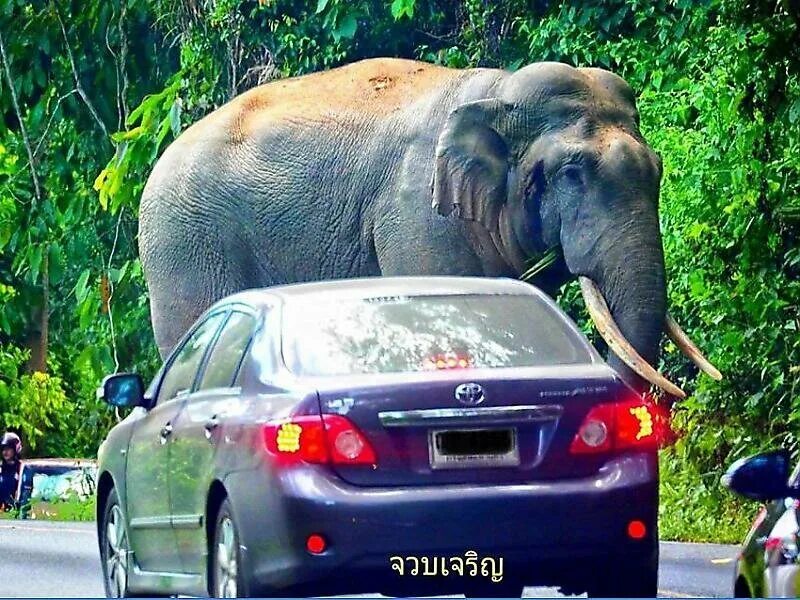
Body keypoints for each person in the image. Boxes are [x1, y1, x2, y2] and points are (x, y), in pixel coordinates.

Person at [0, 432, 22, 511]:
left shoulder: (22, 469)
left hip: (17, 510)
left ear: (15, 449)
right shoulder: (0, 469)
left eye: (8, 449)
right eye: (3, 449)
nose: (5, 452)